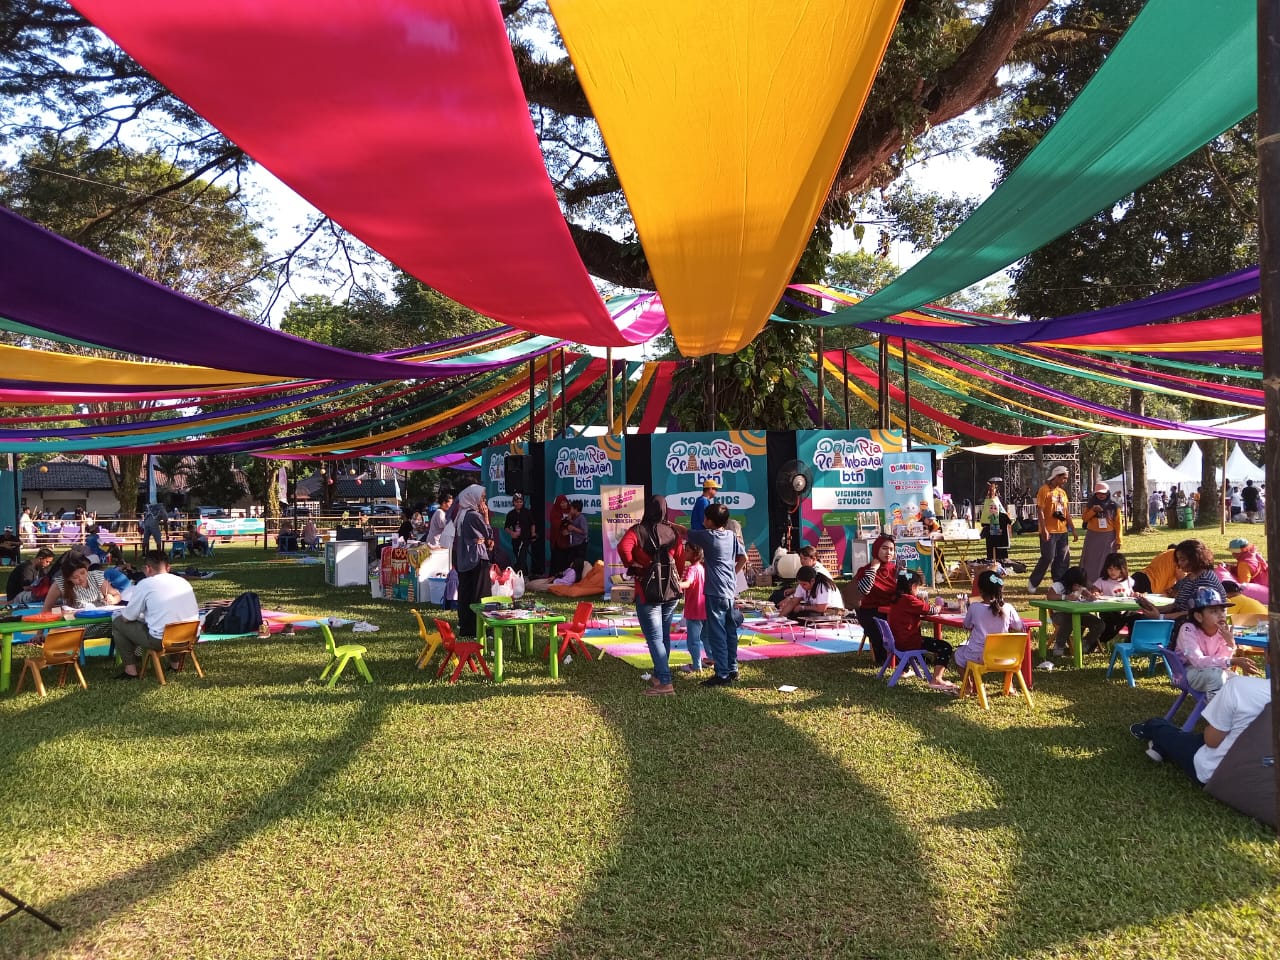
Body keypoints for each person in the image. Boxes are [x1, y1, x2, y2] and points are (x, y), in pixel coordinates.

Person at [1130, 674, 1271, 783]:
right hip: (1267, 776)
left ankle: (1152, 727)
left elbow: (1211, 741)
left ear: (1269, 656)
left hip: (1221, 774)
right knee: (1190, 740)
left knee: (1168, 733)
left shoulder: (1240, 686)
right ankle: (1160, 747)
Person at [618, 495, 686, 696]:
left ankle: (665, 682)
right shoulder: (673, 531)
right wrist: (675, 578)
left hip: (647, 591)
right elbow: (680, 560)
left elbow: (623, 548)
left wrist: (633, 563)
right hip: (671, 591)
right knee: (663, 635)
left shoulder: (637, 531)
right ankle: (659, 674)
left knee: (654, 637)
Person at [110, 551, 200, 680]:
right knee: (174, 622)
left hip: (161, 640)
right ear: (168, 567)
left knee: (118, 622)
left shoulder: (145, 584)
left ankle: (130, 670)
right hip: (190, 636)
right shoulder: (183, 582)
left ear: (147, 568)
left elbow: (128, 617)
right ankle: (175, 665)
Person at [688, 503, 746, 687]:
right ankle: (732, 667)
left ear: (711, 521)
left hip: (715, 592)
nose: (703, 521)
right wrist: (732, 573)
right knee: (730, 630)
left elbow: (684, 532)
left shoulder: (708, 536)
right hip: (729, 590)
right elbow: (743, 558)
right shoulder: (730, 535)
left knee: (717, 633)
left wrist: (669, 524)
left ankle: (722, 675)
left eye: (705, 518)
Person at [1173, 586, 1261, 699]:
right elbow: (1198, 661)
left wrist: (1230, 643)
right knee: (1216, 677)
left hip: (1213, 670)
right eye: (1214, 611)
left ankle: (1236, 710)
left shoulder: (1222, 631)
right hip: (1186, 672)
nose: (1221, 615)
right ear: (1199, 616)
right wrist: (1231, 661)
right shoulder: (1188, 629)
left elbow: (1221, 661)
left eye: (1223, 610)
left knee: (1237, 681)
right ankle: (1218, 711)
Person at [886, 568, 956, 691]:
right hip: (908, 642)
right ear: (913, 586)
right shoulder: (909, 600)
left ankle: (904, 669)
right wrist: (939, 605)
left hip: (896, 640)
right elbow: (931, 610)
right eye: (918, 587)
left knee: (928, 641)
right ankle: (937, 678)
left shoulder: (895, 598)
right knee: (945, 647)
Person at [1134, 539, 1225, 625]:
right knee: (1134, 617)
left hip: (1191, 627)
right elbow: (1177, 604)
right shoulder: (1190, 577)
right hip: (1178, 621)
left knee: (1137, 621)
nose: (1179, 563)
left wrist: (1161, 617)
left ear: (1195, 558)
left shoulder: (1205, 581)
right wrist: (1152, 608)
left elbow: (1194, 614)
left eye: (1183, 560)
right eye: (1178, 560)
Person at [954, 570, 1024, 674]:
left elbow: (966, 625)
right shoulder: (1008, 607)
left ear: (980, 591)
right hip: (1004, 655)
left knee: (958, 654)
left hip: (979, 655)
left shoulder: (974, 607)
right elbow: (1019, 626)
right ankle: (1009, 686)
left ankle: (968, 685)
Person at [452, 485, 491, 639]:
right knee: (481, 595)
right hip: (477, 559)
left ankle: (466, 627)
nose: (483, 501)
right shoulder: (474, 515)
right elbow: (488, 533)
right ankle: (480, 629)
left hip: (464, 560)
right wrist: (486, 516)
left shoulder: (461, 515)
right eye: (482, 498)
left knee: (466, 594)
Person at [1029, 465, 1076, 593]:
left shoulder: (1062, 493)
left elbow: (1066, 512)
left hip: (1062, 531)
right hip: (1049, 530)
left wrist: (1073, 528)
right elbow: (1040, 510)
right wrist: (1043, 529)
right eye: (1064, 478)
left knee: (1063, 559)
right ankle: (1033, 581)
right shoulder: (1044, 490)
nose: (1065, 480)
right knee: (1048, 557)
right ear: (1057, 476)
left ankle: (1059, 583)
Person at [853, 534, 899, 666]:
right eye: (884, 548)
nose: (888, 552)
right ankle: (886, 659)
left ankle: (912, 653)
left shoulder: (896, 569)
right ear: (876, 549)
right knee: (881, 632)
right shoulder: (865, 570)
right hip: (870, 612)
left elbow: (906, 590)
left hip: (892, 610)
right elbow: (864, 591)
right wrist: (873, 569)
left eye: (891, 549)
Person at [1046, 565, 1104, 657]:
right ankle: (1059, 646)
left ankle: (1084, 644)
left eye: (1080, 585)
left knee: (1099, 623)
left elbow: (1088, 595)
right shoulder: (1059, 586)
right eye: (1076, 585)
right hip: (1060, 614)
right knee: (1069, 619)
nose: (1078, 587)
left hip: (1079, 613)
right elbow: (1050, 596)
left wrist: (1091, 596)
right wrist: (1066, 597)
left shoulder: (1081, 588)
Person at [42, 550, 119, 612]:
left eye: (83, 573)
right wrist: (62, 611)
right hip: (77, 624)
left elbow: (117, 595)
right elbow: (47, 609)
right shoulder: (60, 584)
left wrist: (113, 600)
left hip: (102, 620)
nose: (81, 578)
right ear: (68, 578)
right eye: (75, 577)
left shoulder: (95, 576)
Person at [1079, 481, 1122, 583]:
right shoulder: (1090, 505)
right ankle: (1089, 580)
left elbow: (1118, 524)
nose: (1101, 495)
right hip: (1093, 535)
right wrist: (1093, 510)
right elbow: (1084, 518)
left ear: (1107, 493)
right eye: (1098, 493)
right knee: (1090, 559)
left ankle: (1105, 581)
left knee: (1106, 559)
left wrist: (1119, 540)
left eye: (1103, 493)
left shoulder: (1114, 506)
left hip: (1108, 537)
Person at [677, 542, 708, 674]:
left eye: (687, 551)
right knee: (705, 637)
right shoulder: (701, 568)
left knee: (693, 640)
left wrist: (675, 584)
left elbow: (688, 583)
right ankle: (711, 659)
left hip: (694, 609)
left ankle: (696, 665)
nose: (685, 553)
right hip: (704, 608)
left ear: (695, 554)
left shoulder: (692, 569)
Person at [1093, 552, 1136, 646]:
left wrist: (1135, 595)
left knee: (1136, 618)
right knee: (1111, 626)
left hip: (1125, 610)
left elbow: (1131, 593)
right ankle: (1098, 641)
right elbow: (1094, 590)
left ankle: (1131, 642)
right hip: (1109, 611)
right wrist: (1095, 593)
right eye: (1110, 569)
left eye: (1116, 569)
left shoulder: (1128, 580)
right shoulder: (1102, 581)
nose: (1112, 572)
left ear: (1122, 569)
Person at [979, 477, 1013, 563]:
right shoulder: (989, 500)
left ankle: (998, 557)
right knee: (993, 542)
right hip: (992, 524)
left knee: (997, 542)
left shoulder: (994, 499)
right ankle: (993, 557)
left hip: (997, 523)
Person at [503, 492, 536, 576]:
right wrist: (512, 533)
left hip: (525, 539)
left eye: (520, 502)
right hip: (515, 540)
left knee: (522, 556)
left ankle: (522, 575)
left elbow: (532, 524)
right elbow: (506, 527)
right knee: (519, 558)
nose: (519, 503)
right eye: (517, 502)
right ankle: (524, 575)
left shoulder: (527, 512)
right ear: (513, 502)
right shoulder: (511, 514)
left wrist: (533, 534)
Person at [548, 493, 572, 574]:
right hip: (557, 541)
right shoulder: (555, 511)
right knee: (557, 559)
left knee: (566, 560)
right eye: (561, 503)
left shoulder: (571, 511)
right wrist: (564, 520)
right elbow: (555, 524)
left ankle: (566, 577)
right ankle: (554, 577)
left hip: (568, 541)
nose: (564, 504)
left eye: (565, 502)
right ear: (558, 503)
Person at [564, 500, 589, 566]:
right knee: (571, 562)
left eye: (571, 509)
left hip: (580, 545)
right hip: (575, 544)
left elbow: (584, 531)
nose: (570, 510)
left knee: (578, 564)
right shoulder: (575, 518)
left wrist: (573, 528)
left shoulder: (582, 518)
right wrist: (570, 521)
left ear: (575, 509)